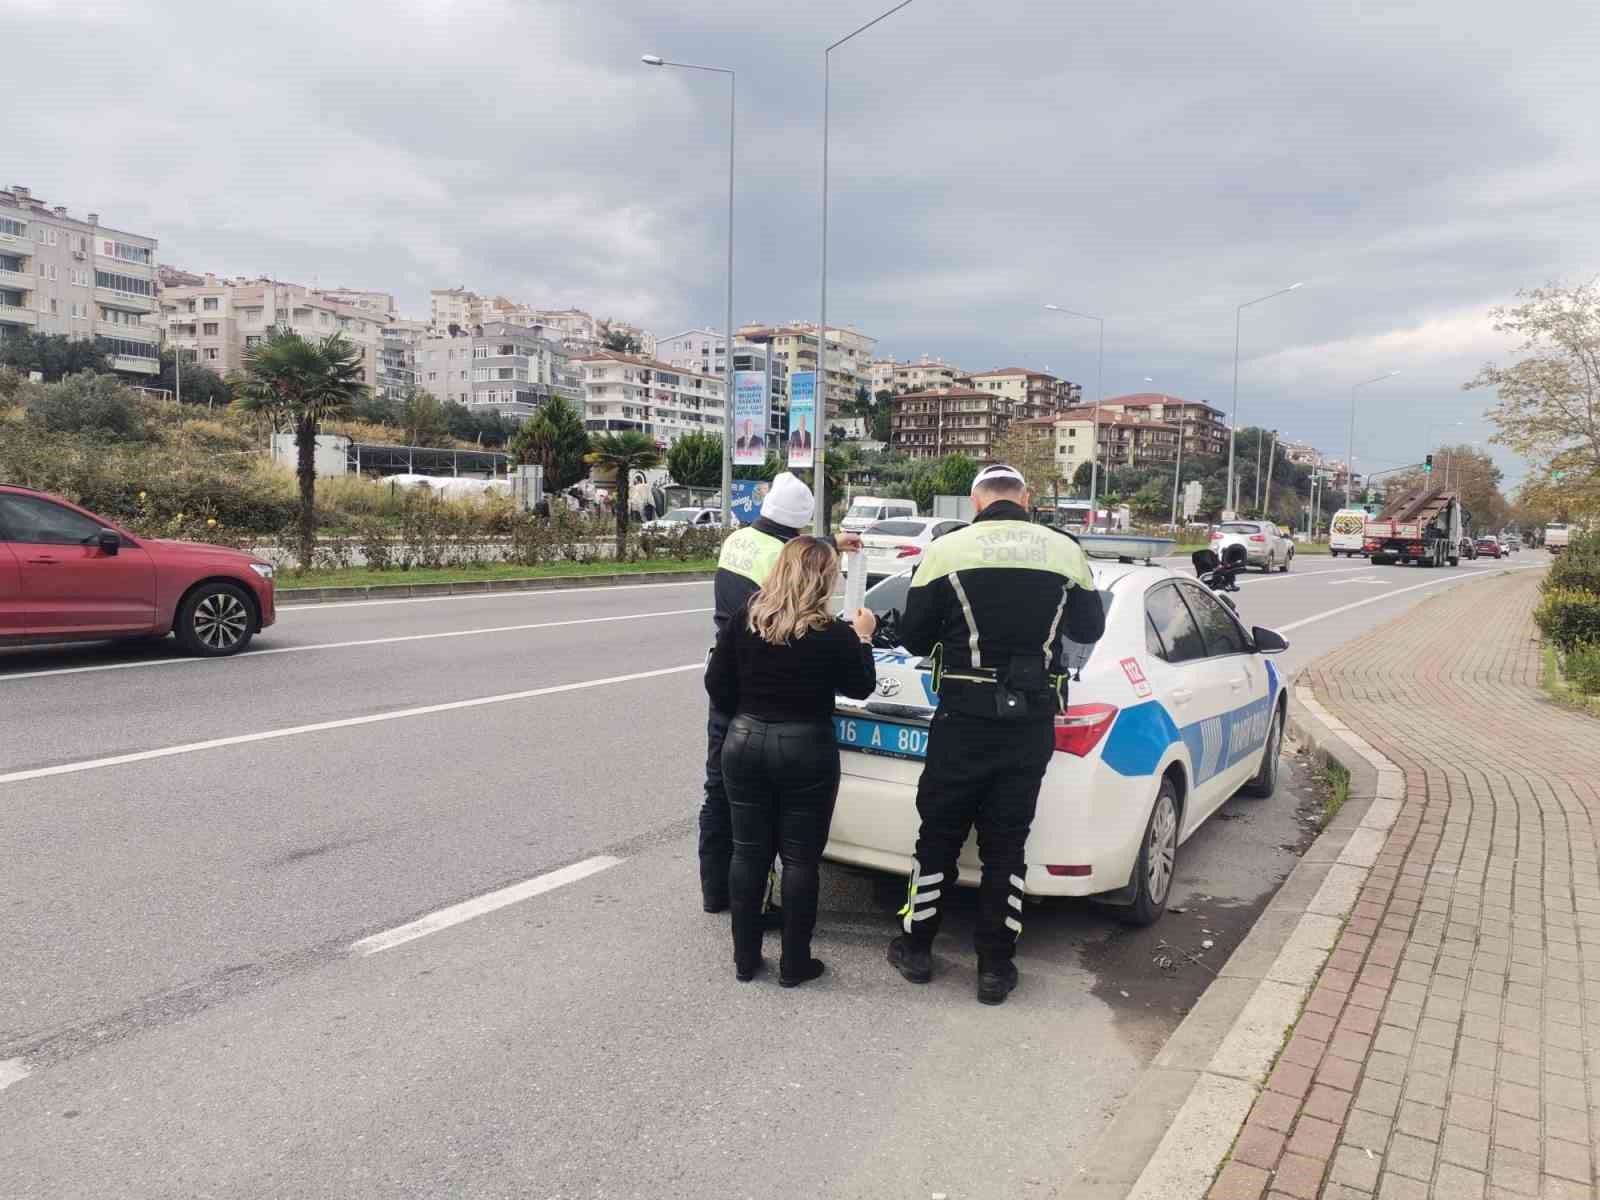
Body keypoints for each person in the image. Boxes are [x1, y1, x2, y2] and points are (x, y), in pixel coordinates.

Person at [886, 464, 1105, 1005]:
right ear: (1025, 498)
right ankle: (994, 968)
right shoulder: (1063, 549)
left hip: (961, 716)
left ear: (975, 500)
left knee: (936, 837)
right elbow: (1088, 630)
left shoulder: (948, 549)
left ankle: (917, 951)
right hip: (1028, 721)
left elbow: (914, 637)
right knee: (1006, 846)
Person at [705, 537, 878, 983]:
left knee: (749, 853)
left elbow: (716, 684)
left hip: (744, 741)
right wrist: (864, 638)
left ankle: (745, 959)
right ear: (824, 580)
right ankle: (794, 963)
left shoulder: (747, 617)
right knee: (800, 859)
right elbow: (860, 687)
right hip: (805, 747)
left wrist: (747, 707)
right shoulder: (834, 633)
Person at [699, 471, 860, 920]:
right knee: (761, 814)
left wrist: (831, 539)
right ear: (797, 530)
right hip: (763, 688)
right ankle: (757, 903)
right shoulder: (785, 558)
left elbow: (785, 544)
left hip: (726, 668)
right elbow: (799, 580)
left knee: (717, 788)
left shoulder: (738, 541)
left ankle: (715, 892)